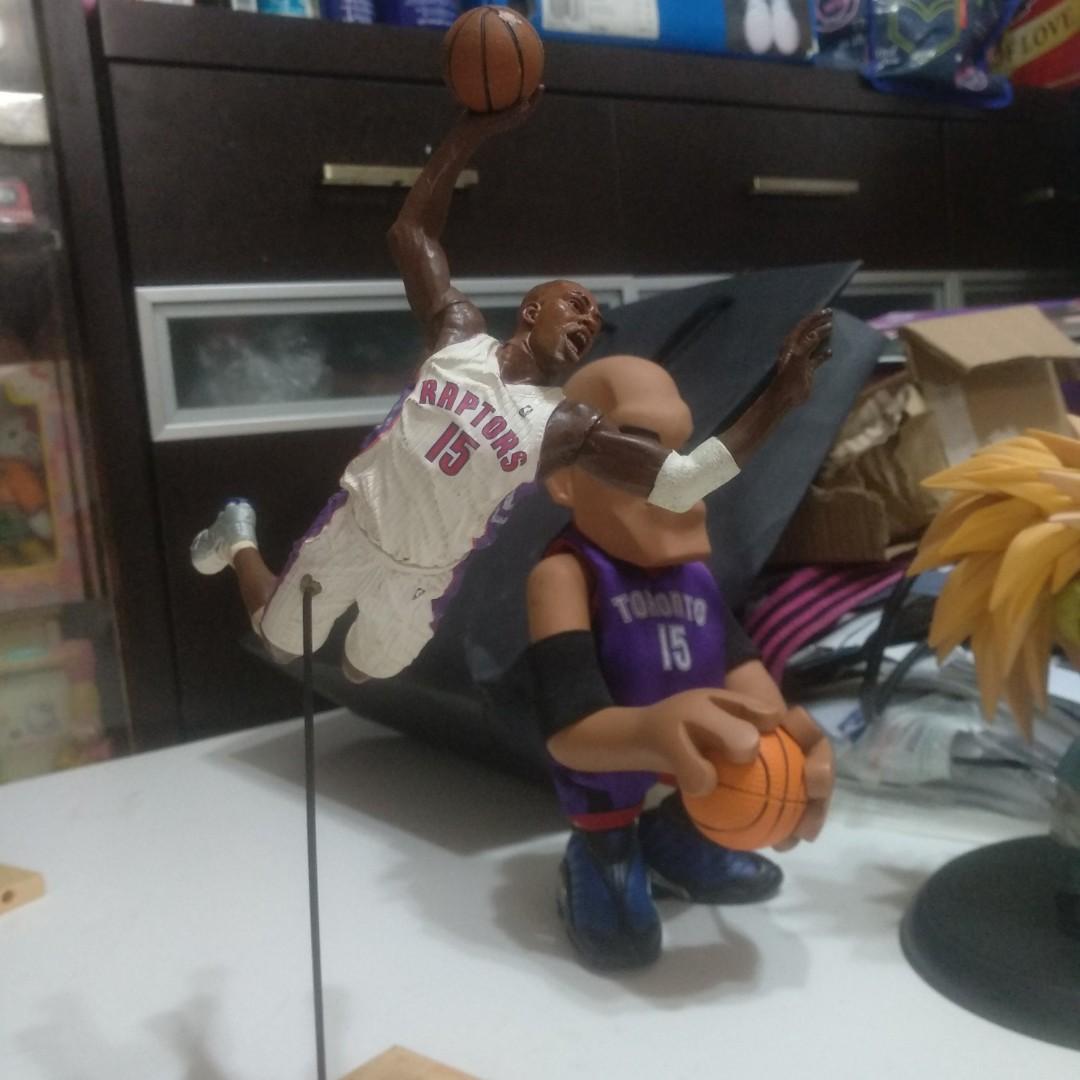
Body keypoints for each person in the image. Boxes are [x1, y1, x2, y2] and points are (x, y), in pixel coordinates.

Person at [190, 95, 832, 683]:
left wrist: (780, 397)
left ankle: (311, 602)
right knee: (283, 644)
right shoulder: (458, 334)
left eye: (594, 323)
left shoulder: (567, 425)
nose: (586, 320)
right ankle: (238, 536)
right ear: (531, 310)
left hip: (422, 577)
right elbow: (410, 235)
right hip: (355, 530)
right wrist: (471, 131)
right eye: (574, 305)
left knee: (365, 671)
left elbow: (685, 481)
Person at [527, 354, 835, 970]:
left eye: (680, 449)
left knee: (726, 777)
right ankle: (605, 856)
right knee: (608, 833)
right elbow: (569, 732)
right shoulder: (565, 575)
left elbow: (748, 682)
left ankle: (675, 842)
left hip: (697, 777)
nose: (677, 478)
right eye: (639, 449)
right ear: (565, 480)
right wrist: (650, 731)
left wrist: (790, 742)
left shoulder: (696, 579)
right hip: (609, 772)